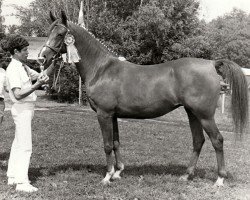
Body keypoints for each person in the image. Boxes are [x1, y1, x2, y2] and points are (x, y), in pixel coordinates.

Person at [1, 34, 51, 193]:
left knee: (17, 143)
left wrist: (54, 64)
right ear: (15, 51)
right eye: (24, 50)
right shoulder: (13, 68)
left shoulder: (23, 66)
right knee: (25, 146)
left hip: (25, 109)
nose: (28, 52)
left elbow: (39, 75)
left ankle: (12, 176)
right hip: (22, 108)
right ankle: (22, 183)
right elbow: (18, 94)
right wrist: (38, 84)